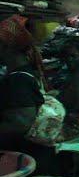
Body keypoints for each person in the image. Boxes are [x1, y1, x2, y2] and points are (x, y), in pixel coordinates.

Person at [0, 15, 45, 150]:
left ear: (6, 46)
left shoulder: (18, 79)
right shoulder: (27, 71)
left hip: (21, 152)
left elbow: (21, 123)